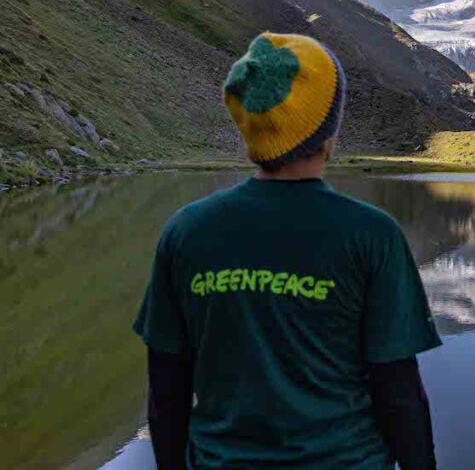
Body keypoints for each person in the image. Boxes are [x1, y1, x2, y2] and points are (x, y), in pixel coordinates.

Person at [133, 32, 441, 469]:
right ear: (326, 130)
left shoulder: (187, 231)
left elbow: (166, 388)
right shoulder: (372, 235)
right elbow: (399, 391)